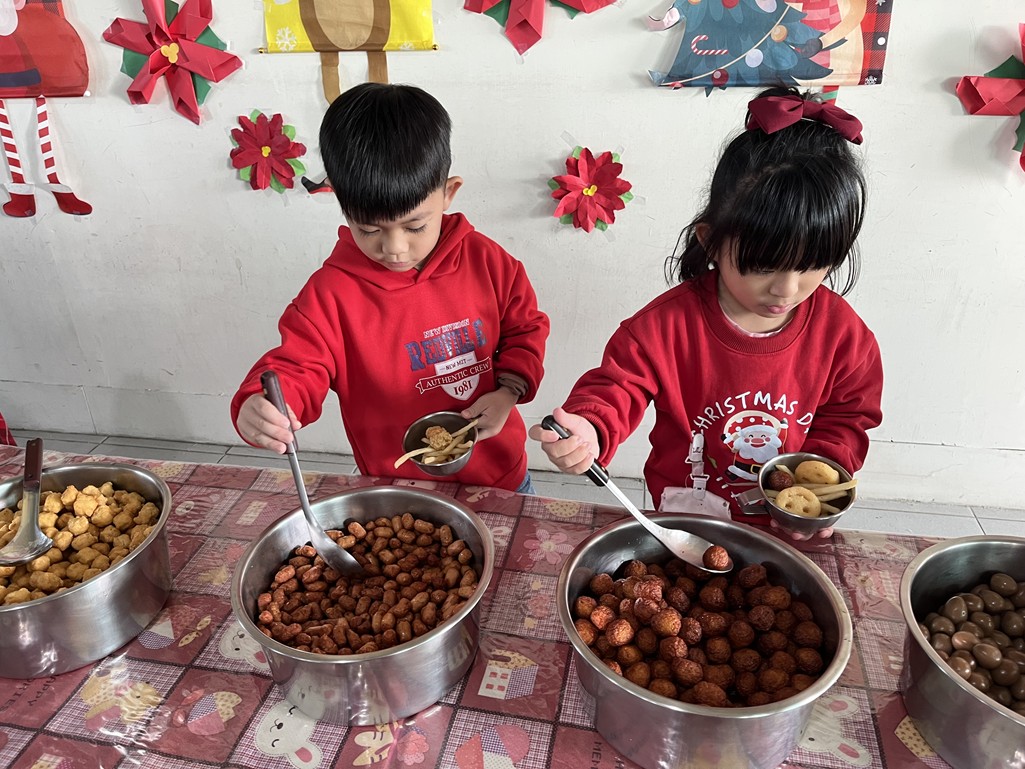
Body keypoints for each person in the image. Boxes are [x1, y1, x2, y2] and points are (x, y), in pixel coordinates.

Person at [529, 86, 882, 539]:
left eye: (813, 265)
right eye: (763, 267)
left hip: (784, 524)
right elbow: (617, 386)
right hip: (686, 516)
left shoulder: (844, 337)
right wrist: (590, 428)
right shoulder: (664, 328)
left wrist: (821, 484)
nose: (787, 289)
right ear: (710, 241)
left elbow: (848, 418)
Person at [232, 83, 549, 493]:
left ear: (448, 193)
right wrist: (261, 405)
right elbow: (298, 365)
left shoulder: (488, 263)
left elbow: (525, 329)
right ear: (342, 204)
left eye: (415, 226)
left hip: (502, 476)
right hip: (394, 486)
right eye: (369, 229)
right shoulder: (331, 295)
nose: (394, 248)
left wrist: (508, 391)